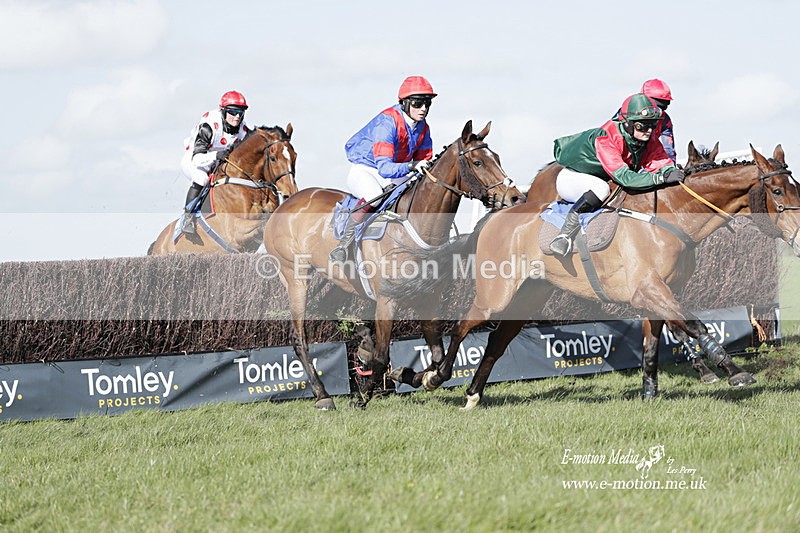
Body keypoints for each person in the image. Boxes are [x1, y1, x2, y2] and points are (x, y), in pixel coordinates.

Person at [549, 93, 685, 256]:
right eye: (642, 126)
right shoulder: (606, 138)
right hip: (573, 177)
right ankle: (564, 235)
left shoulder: (648, 138)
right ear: (627, 123)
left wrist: (671, 171)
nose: (649, 131)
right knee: (601, 189)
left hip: (603, 176)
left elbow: (660, 161)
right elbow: (625, 178)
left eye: (652, 125)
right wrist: (660, 178)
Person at [329, 76, 436, 262]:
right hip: (368, 169)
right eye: (418, 103)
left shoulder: (423, 128)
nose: (423, 109)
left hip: (396, 172)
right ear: (404, 103)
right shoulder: (387, 123)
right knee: (374, 195)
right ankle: (343, 246)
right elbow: (385, 168)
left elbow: (424, 161)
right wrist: (412, 166)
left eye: (427, 103)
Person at [179, 90, 251, 234]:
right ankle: (187, 218)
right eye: (233, 112)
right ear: (222, 110)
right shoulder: (209, 126)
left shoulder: (242, 128)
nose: (237, 117)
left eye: (240, 112)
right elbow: (197, 159)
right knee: (202, 178)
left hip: (219, 160)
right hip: (195, 159)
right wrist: (216, 155)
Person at [641, 78, 676, 162]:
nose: (659, 112)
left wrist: (671, 167)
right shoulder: (626, 112)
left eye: (663, 107)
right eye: (657, 106)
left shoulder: (665, 120)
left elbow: (669, 150)